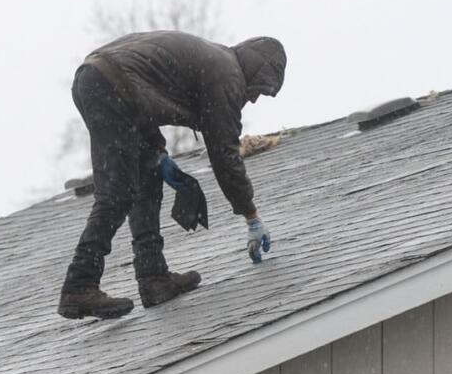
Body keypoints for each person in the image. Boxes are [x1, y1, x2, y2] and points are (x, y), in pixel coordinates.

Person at [57, 31, 287, 320]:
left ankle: (153, 278)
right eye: (259, 90)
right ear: (256, 71)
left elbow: (144, 92)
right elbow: (224, 154)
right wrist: (251, 216)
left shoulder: (216, 61)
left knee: (147, 177)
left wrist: (157, 153)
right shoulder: (227, 74)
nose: (252, 99)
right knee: (117, 192)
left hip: (103, 82)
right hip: (112, 86)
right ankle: (79, 285)